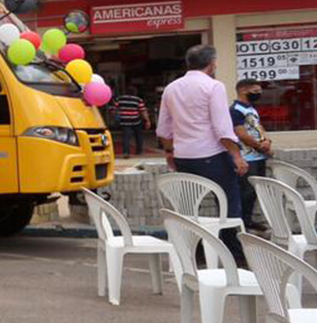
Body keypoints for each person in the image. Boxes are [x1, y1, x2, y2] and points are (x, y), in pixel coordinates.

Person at [156, 45, 248, 265]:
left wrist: (170, 151)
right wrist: (236, 156)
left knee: (189, 206)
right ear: (212, 63)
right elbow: (223, 129)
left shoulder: (171, 88)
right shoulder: (214, 86)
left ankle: (194, 252)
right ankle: (233, 254)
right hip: (212, 154)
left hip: (184, 156)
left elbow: (163, 129)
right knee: (228, 204)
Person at [230, 78, 273, 234]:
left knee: (254, 191)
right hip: (246, 158)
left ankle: (248, 220)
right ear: (243, 90)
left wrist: (267, 141)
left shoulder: (251, 109)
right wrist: (259, 145)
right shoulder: (235, 110)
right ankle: (242, 224)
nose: (259, 94)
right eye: (255, 91)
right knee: (246, 192)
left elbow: (258, 127)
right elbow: (240, 133)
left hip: (259, 156)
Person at [113, 87, 150, 157]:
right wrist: (147, 120)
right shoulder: (138, 100)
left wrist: (117, 117)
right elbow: (142, 111)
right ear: (135, 92)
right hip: (136, 121)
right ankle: (139, 151)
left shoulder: (120, 99)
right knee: (139, 136)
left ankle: (126, 152)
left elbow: (114, 109)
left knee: (126, 137)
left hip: (124, 121)